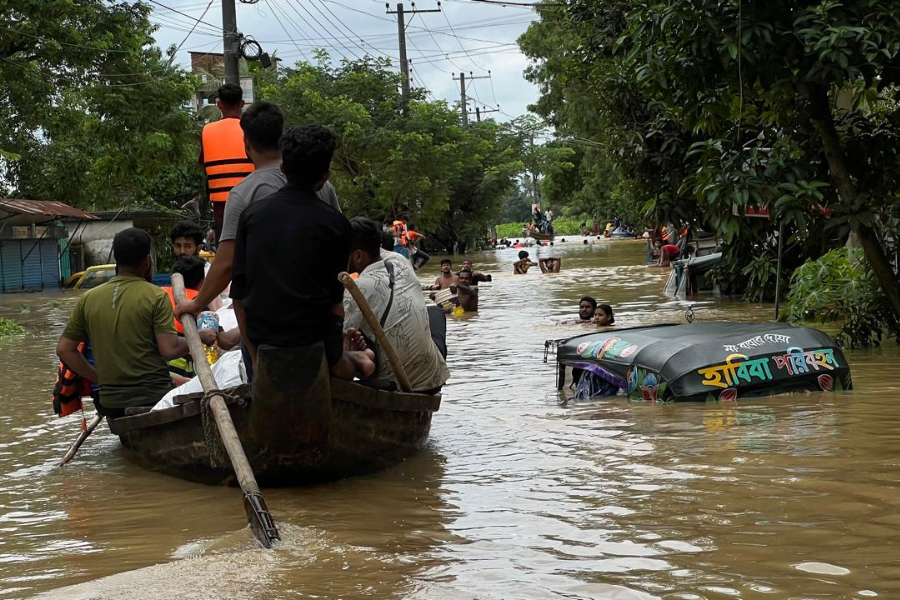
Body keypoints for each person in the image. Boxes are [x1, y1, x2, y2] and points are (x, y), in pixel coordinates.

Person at [231, 124, 373, 381]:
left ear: (283, 169)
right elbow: (335, 304)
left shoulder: (251, 216)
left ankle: (350, 358)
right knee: (344, 369)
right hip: (314, 341)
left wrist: (254, 357)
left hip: (264, 341)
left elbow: (238, 298)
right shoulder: (337, 225)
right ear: (325, 177)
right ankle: (353, 360)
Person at [177, 102, 340, 320]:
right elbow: (338, 248)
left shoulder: (243, 194)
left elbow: (226, 264)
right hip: (319, 313)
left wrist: (197, 304)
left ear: (246, 141)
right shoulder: (321, 185)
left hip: (271, 320)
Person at [56, 228, 214, 418]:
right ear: (147, 261)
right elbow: (169, 350)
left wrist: (98, 378)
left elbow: (64, 349)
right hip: (154, 396)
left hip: (108, 402)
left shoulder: (88, 298)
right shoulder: (156, 295)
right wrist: (200, 337)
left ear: (117, 260)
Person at [345, 218, 450, 393]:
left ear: (357, 255)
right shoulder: (400, 260)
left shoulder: (355, 290)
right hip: (434, 377)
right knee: (436, 312)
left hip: (396, 384)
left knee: (345, 338)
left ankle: (366, 359)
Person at [200, 83, 255, 240]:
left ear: (219, 105)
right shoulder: (251, 129)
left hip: (222, 206)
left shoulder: (207, 131)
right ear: (242, 104)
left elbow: (203, 165)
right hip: (252, 199)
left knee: (227, 248)